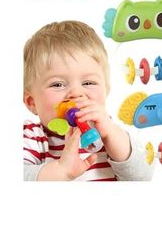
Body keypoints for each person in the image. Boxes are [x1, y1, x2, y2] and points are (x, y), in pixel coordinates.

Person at [23, 20, 153, 181]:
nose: (76, 94)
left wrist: (112, 135)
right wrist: (61, 171)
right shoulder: (32, 137)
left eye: (88, 83)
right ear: (32, 102)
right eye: (57, 84)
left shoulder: (109, 132)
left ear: (106, 91)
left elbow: (143, 177)